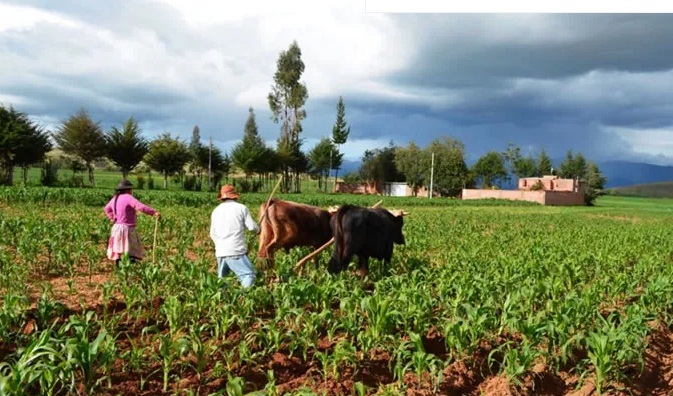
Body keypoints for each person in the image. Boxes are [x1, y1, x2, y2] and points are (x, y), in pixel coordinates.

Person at [209, 184, 260, 288]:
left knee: (222, 280)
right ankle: (243, 298)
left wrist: (220, 245)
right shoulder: (241, 208)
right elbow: (251, 227)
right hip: (235, 250)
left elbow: (212, 234)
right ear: (235, 196)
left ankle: (222, 301)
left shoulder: (216, 211)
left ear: (222, 197)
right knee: (248, 276)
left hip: (220, 252)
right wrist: (258, 229)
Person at [104, 179, 160, 267]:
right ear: (128, 189)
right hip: (127, 229)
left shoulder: (115, 198)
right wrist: (153, 212)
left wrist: (112, 217)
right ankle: (128, 269)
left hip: (117, 228)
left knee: (119, 250)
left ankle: (120, 270)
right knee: (129, 250)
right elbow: (140, 206)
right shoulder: (128, 197)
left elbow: (106, 209)